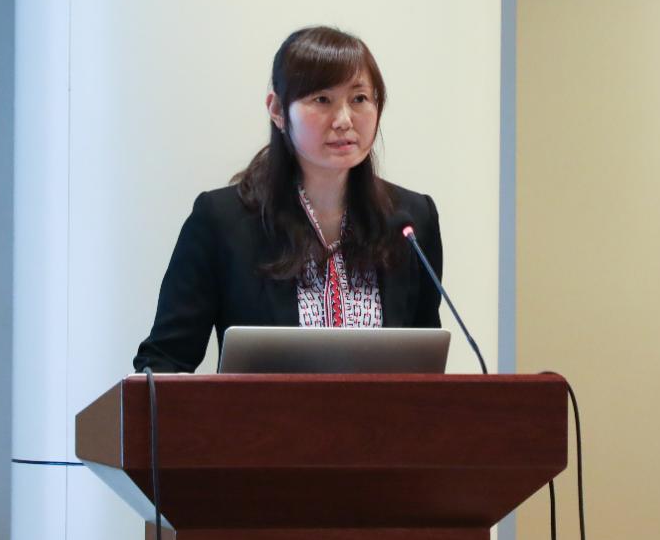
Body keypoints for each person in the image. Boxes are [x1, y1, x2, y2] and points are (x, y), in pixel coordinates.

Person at [133, 26, 443, 373]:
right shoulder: (222, 222)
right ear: (278, 110)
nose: (344, 120)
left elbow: (426, 373)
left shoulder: (411, 221)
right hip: (260, 412)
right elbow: (163, 363)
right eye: (322, 99)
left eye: (359, 99)